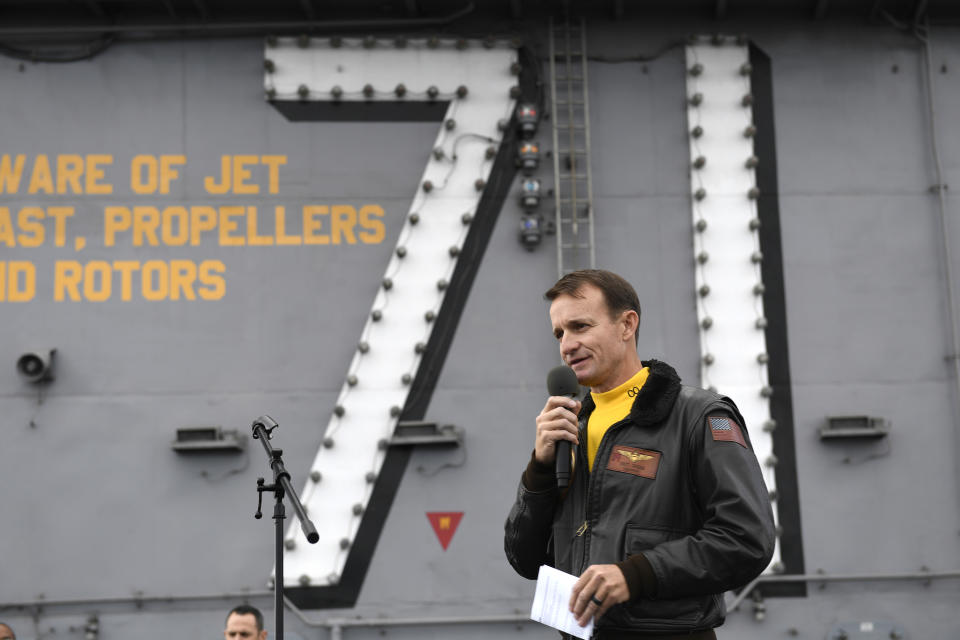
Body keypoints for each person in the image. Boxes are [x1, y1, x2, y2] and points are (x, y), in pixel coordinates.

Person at [504, 269, 776, 639]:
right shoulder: (569, 429)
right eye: (559, 333)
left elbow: (747, 539)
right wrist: (539, 468)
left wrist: (635, 575)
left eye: (580, 326)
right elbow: (525, 558)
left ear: (626, 324)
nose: (567, 345)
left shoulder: (698, 417)